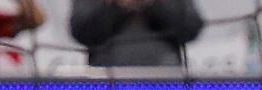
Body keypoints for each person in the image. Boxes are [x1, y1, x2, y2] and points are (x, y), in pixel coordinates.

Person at [70, 0, 203, 67]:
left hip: (165, 83)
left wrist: (154, 4)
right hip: (108, 84)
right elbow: (81, 31)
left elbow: (190, 27)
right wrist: (116, 6)